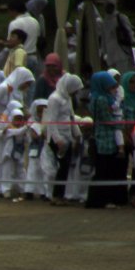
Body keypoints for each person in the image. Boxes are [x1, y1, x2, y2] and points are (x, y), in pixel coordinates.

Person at [85, 71, 127, 209]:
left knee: (104, 170)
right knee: (104, 171)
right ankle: (98, 200)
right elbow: (107, 120)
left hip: (104, 137)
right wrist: (121, 124)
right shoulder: (102, 99)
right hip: (105, 139)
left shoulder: (98, 97)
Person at [44, 73, 83, 206]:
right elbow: (52, 120)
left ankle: (61, 194)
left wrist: (77, 134)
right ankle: (56, 195)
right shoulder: (54, 99)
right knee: (63, 165)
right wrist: (57, 139)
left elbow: (71, 117)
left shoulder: (67, 98)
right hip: (57, 138)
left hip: (67, 136)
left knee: (66, 167)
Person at [98, 0, 135, 73]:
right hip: (110, 53)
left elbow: (129, 31)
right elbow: (104, 38)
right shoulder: (104, 21)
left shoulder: (121, 17)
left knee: (123, 71)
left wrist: (132, 42)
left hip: (121, 51)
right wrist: (103, 52)